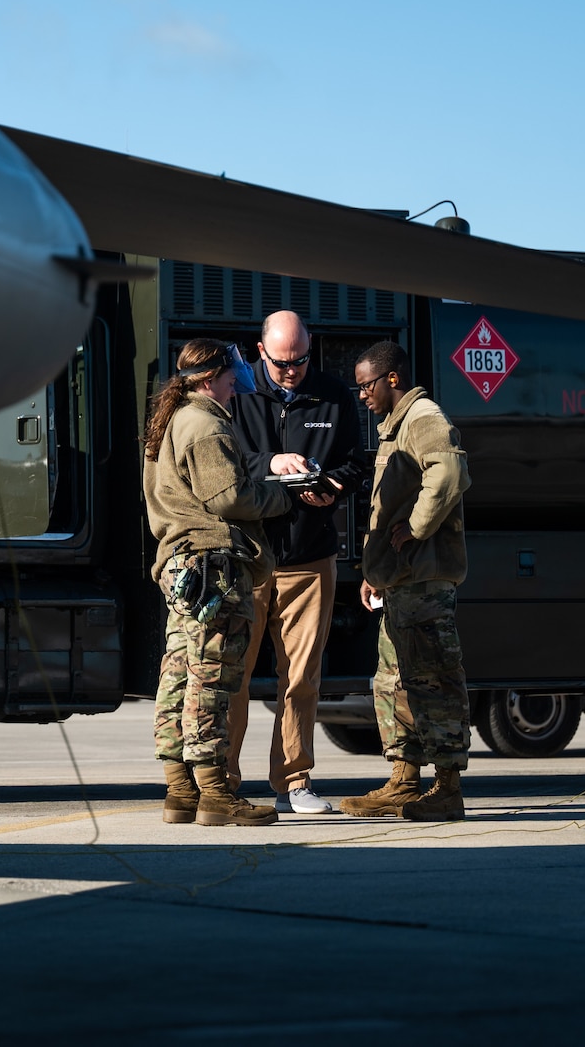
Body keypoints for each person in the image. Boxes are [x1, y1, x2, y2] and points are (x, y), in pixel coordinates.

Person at [144, 337, 293, 827]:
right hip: (212, 567)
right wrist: (282, 496)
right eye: (230, 377)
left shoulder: (170, 421)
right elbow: (230, 497)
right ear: (211, 378)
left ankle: (179, 790)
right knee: (214, 678)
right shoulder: (205, 424)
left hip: (180, 564)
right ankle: (214, 793)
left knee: (180, 675)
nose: (236, 384)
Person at [229, 311, 370, 815]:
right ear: (260, 351)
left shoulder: (334, 395)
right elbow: (220, 461)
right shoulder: (236, 395)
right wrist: (271, 462)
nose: (292, 371)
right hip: (248, 556)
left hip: (310, 557)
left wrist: (330, 486)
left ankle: (294, 782)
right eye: (282, 362)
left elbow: (358, 463)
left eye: (301, 360)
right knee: (235, 676)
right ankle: (223, 781)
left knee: (302, 677)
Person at [339, 341, 473, 822]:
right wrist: (376, 574)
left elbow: (450, 471)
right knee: (394, 682)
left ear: (391, 379)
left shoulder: (423, 417)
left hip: (424, 583)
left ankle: (447, 786)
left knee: (433, 679)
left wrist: (416, 527)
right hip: (401, 583)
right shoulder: (399, 426)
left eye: (366, 385)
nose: (361, 396)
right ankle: (404, 779)